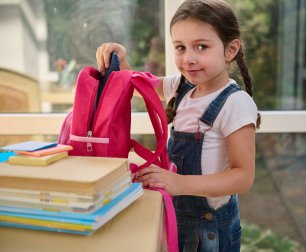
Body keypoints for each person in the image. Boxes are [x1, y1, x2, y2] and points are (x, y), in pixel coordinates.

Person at [96, 0, 260, 251]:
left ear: (230, 49)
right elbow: (139, 85)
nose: (188, 58)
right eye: (180, 47)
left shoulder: (235, 103)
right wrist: (121, 59)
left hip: (209, 231)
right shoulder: (181, 86)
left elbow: (243, 177)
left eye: (201, 47)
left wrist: (179, 183)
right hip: (178, 218)